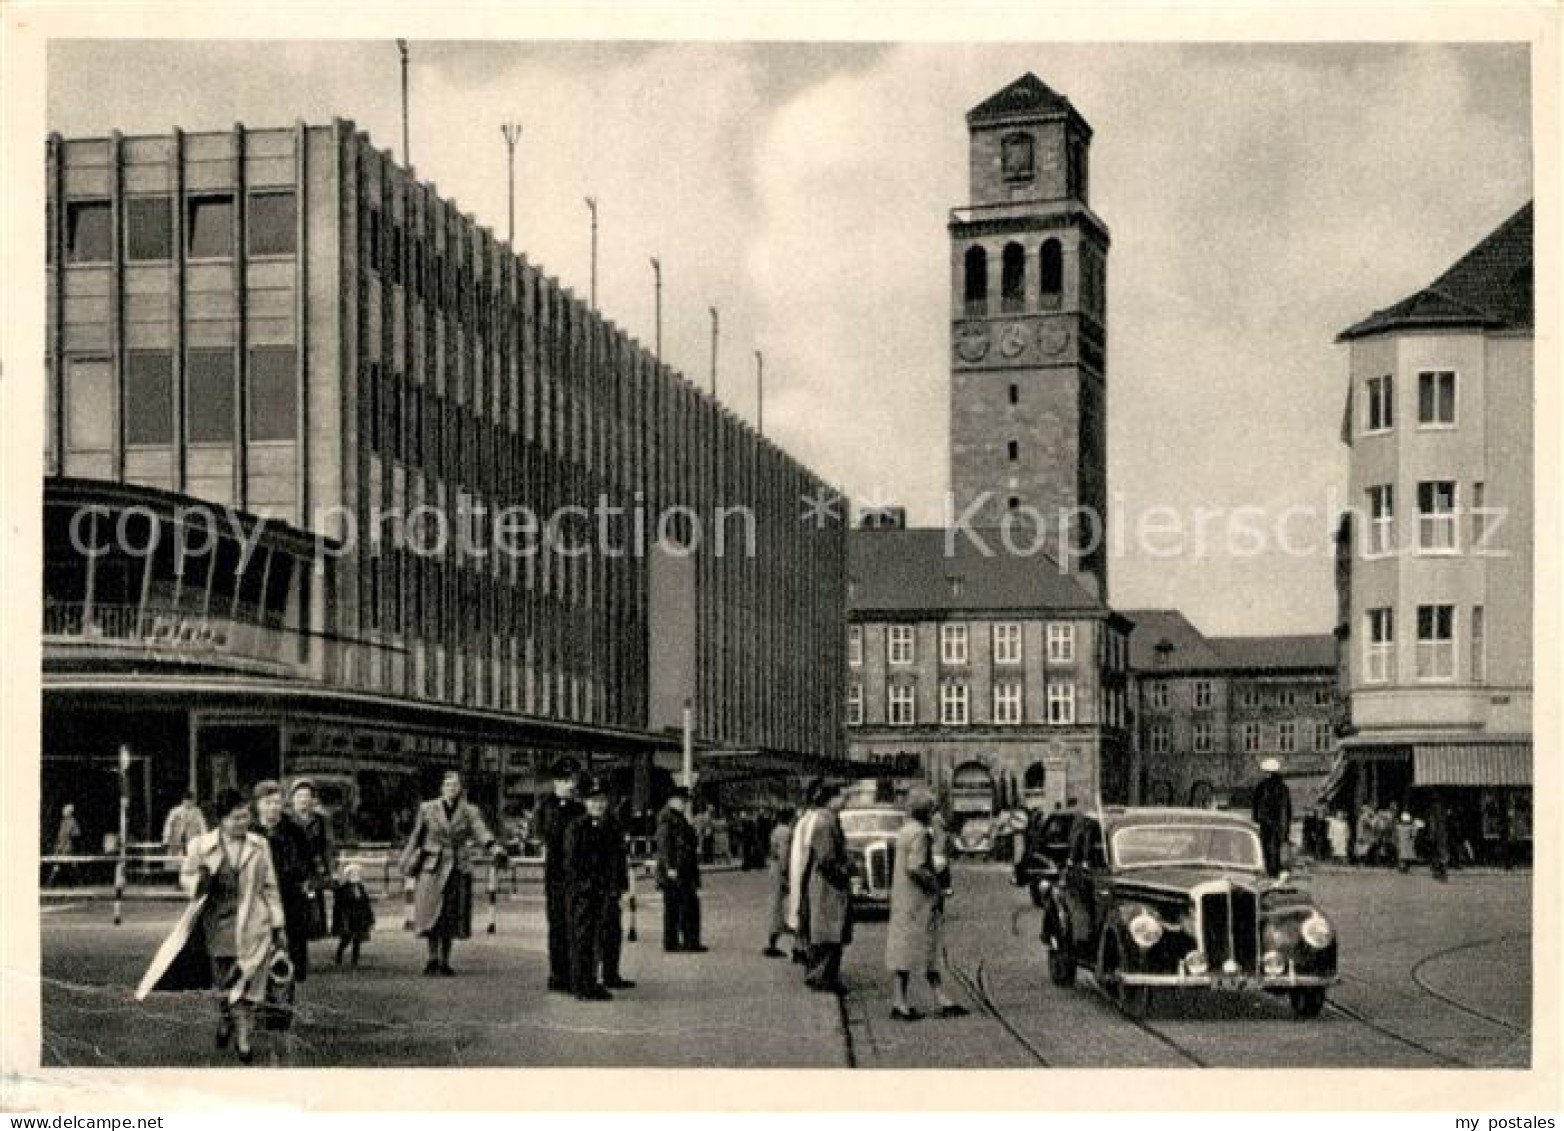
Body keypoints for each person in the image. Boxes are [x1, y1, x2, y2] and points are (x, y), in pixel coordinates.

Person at [139, 788, 287, 1064]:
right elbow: (186, 876)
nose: (242, 823)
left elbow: (270, 886)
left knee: (248, 984)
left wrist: (278, 924)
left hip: (254, 922)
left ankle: (243, 1037)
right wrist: (198, 883)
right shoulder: (200, 845)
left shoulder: (259, 844)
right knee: (222, 982)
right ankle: (224, 1018)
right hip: (217, 923)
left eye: (245, 817)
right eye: (235, 818)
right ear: (221, 819)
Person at [398, 770, 505, 976]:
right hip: (432, 865)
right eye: (447, 785)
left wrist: (494, 848)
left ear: (460, 789)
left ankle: (445, 961)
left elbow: (481, 831)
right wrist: (406, 859)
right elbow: (416, 836)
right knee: (430, 914)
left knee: (450, 915)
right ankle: (431, 959)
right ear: (441, 787)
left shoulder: (469, 811)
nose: (451, 789)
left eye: (455, 785)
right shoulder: (427, 809)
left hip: (457, 867)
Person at [887, 787, 969, 1021]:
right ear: (925, 810)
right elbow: (916, 867)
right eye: (932, 809)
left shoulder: (904, 831)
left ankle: (901, 1000)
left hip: (904, 899)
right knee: (928, 947)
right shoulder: (920, 834)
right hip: (919, 901)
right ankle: (938, 999)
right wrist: (936, 886)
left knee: (903, 948)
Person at [563, 777, 634, 1000]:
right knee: (585, 939)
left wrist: (619, 886)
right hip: (585, 893)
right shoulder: (577, 828)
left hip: (609, 892)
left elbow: (619, 859)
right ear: (585, 803)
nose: (598, 805)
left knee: (611, 933)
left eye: (602, 800)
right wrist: (586, 887)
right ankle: (584, 986)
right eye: (593, 801)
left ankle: (609, 976)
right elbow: (572, 863)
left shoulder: (612, 826)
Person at [253, 780, 316, 983]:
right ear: (258, 804)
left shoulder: (294, 831)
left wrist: (299, 876)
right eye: (268, 802)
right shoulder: (250, 831)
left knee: (292, 940)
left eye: (277, 802)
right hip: (258, 893)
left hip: (289, 893)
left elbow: (306, 860)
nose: (274, 807)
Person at [533, 761, 584, 991]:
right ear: (556, 782)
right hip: (556, 875)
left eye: (572, 780)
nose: (570, 785)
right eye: (565, 780)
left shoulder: (579, 809)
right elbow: (546, 835)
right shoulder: (545, 807)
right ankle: (558, 974)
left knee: (577, 924)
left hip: (577, 875)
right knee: (557, 925)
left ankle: (576, 973)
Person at [802, 781, 854, 994]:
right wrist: (844, 872)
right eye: (842, 796)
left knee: (832, 929)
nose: (845, 801)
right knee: (829, 930)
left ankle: (826, 976)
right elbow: (826, 859)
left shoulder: (830, 820)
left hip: (829, 882)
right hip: (828, 884)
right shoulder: (825, 823)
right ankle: (823, 977)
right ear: (831, 798)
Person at [655, 787, 704, 952]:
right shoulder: (667, 819)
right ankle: (677, 942)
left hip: (684, 870)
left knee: (682, 906)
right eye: (681, 801)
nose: (684, 804)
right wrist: (670, 867)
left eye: (685, 801)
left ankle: (685, 941)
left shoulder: (676, 818)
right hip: (676, 871)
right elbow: (664, 845)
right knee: (678, 907)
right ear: (671, 801)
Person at [288, 779, 335, 943]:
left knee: (312, 907)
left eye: (307, 796)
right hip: (291, 867)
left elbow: (327, 846)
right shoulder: (286, 820)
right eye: (299, 796)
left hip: (313, 867)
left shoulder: (321, 821)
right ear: (292, 798)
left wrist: (330, 871)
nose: (303, 800)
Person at [787, 782, 824, 964]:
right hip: (806, 874)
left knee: (800, 913)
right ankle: (803, 950)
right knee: (806, 914)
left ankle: (798, 948)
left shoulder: (803, 820)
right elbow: (810, 850)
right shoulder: (813, 820)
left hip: (799, 872)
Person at [1250, 758, 1292, 877]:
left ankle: (1269, 868)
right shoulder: (1283, 788)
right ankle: (1275, 869)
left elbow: (1255, 805)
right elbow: (1287, 808)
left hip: (1265, 821)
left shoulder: (1261, 786)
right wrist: (1287, 826)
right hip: (1278, 821)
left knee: (1266, 845)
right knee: (1276, 846)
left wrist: (1256, 819)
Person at [763, 807, 794, 958]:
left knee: (776, 904)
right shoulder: (785, 832)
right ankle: (773, 942)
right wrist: (785, 873)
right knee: (777, 906)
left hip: (773, 868)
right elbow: (784, 854)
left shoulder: (776, 830)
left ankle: (775, 939)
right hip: (779, 870)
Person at [332, 862, 376, 966]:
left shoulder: (360, 888)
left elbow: (366, 903)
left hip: (359, 917)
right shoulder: (343, 890)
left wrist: (369, 917)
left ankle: (354, 960)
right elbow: (340, 905)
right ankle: (339, 956)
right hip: (349, 917)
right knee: (346, 939)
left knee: (357, 940)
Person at [162, 793, 208, 860]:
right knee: (174, 859)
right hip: (176, 839)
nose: (189, 803)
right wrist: (166, 838)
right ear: (183, 801)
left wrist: (205, 838)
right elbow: (168, 824)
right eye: (187, 800)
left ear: (193, 801)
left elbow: (202, 825)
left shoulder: (197, 812)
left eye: (190, 801)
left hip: (191, 838)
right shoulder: (175, 811)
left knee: (191, 858)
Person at [48, 803, 83, 887]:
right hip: (61, 846)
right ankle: (51, 883)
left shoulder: (72, 821)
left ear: (69, 812)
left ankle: (76, 883)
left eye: (65, 810)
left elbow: (77, 833)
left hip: (66, 847)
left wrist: (69, 837)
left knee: (69, 864)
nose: (63, 811)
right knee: (61, 864)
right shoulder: (64, 821)